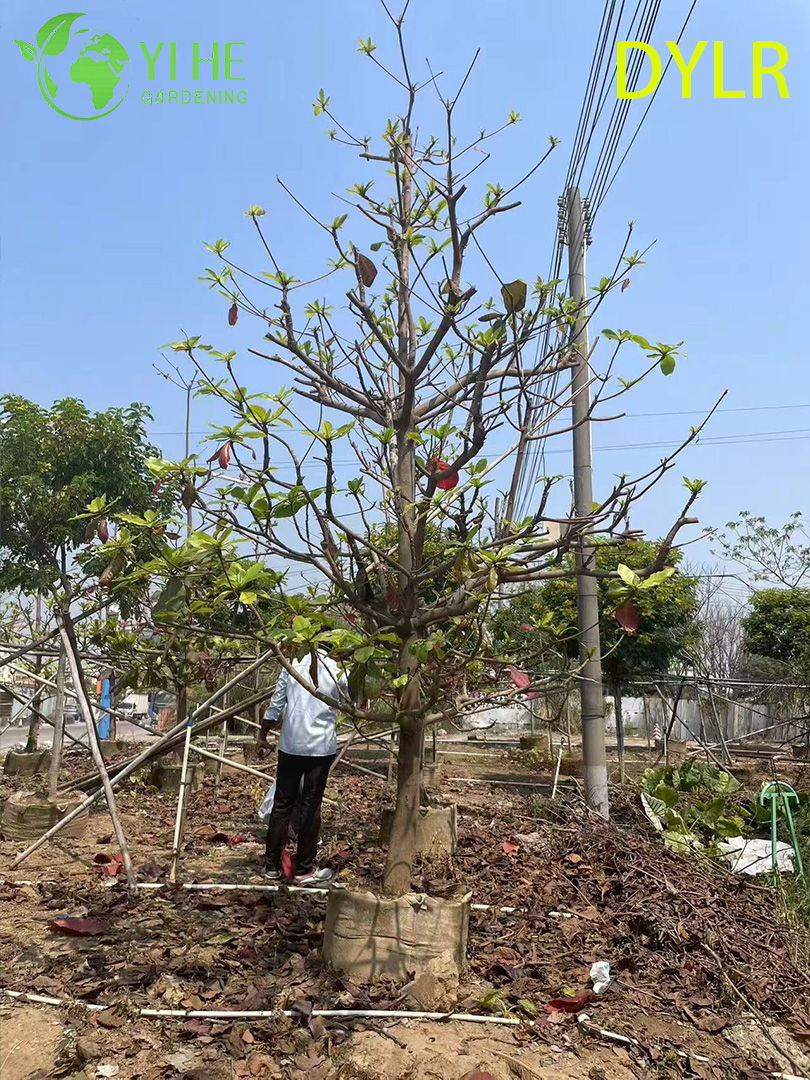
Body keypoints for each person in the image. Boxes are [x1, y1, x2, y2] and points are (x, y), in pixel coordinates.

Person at [256, 648, 347, 885]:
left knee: (282, 805)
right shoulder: (337, 667)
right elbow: (354, 699)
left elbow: (276, 705)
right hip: (321, 747)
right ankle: (305, 869)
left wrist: (263, 735)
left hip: (291, 745)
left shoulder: (292, 662)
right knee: (310, 806)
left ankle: (272, 867)